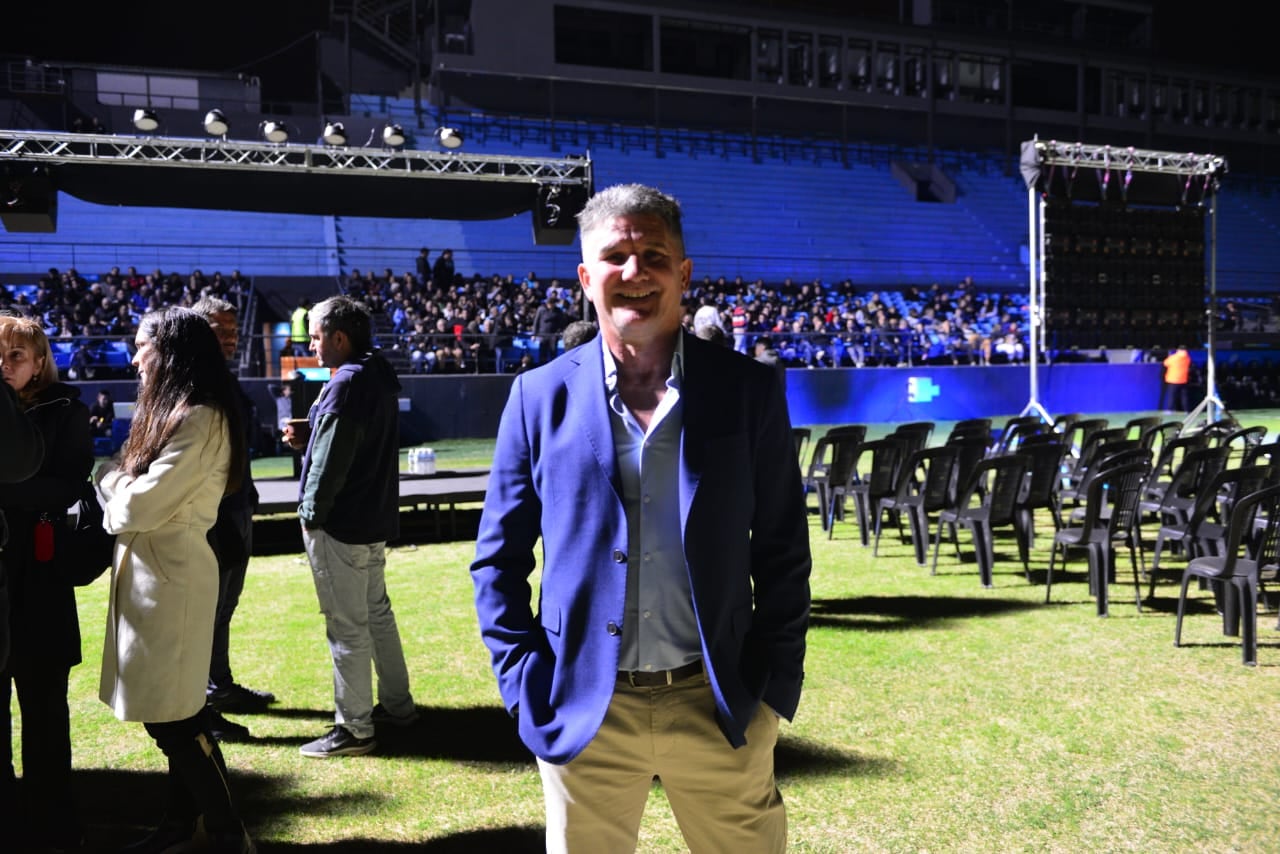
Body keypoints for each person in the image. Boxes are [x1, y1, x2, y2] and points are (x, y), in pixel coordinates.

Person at [471, 183, 812, 853]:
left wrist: (772, 691)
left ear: (683, 274)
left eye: (654, 254)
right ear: (585, 277)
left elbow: (782, 552)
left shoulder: (749, 392)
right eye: (615, 256)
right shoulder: (536, 398)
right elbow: (497, 562)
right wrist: (526, 689)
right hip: (583, 712)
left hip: (717, 705)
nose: (635, 272)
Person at [94, 307, 256, 853]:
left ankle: (227, 830)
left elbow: (137, 506)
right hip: (155, 581)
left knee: (175, 720)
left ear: (171, 351)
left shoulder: (201, 419)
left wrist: (109, 478)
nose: (136, 356)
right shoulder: (179, 413)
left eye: (143, 346)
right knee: (174, 715)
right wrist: (124, 487)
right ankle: (180, 826)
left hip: (172, 584)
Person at [283, 296, 417, 758]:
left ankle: (355, 728)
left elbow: (332, 463)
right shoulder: (376, 373)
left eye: (316, 337)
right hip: (372, 518)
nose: (312, 346)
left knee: (347, 628)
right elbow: (346, 442)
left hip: (341, 525)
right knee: (377, 614)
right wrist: (314, 430)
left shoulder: (346, 382)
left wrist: (309, 514)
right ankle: (399, 708)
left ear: (339, 338)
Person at [0, 315, 91, 853]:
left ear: (39, 362)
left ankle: (55, 826)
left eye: (16, 355)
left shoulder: (66, 410)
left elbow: (66, 487)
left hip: (39, 583)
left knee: (45, 717)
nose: (5, 364)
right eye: (0, 355)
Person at [191, 297, 274, 744]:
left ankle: (218, 685)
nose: (227, 339)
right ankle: (202, 698)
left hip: (239, 506)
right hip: (214, 515)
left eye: (232, 333)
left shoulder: (224, 378)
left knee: (224, 608)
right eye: (218, 331)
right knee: (207, 610)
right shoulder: (193, 381)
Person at [1162, 344, 1192, 412]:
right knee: (1184, 397)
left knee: (1172, 396)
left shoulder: (1173, 357)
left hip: (1173, 380)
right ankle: (1186, 410)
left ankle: (1169, 410)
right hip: (1183, 380)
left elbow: (1165, 363)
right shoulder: (1187, 358)